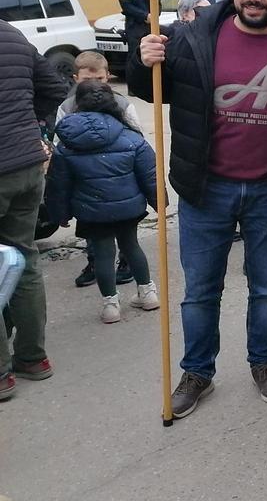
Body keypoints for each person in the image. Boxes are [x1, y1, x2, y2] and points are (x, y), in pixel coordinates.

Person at [129, 0, 267, 418]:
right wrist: (142, 61)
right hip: (206, 188)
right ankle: (197, 372)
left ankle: (264, 363)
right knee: (200, 289)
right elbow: (150, 88)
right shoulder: (191, 39)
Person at [45, 81, 158, 323]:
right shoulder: (130, 137)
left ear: (77, 105)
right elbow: (149, 174)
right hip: (128, 207)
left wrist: (60, 214)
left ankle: (111, 306)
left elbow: (58, 184)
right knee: (131, 246)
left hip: (92, 210)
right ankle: (148, 293)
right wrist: (159, 201)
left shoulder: (67, 144)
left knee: (103, 254)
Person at [0, 22, 67, 401]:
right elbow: (56, 87)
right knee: (23, 258)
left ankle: (1, 374)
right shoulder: (11, 34)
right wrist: (30, 125)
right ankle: (32, 357)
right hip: (27, 164)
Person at [54, 51, 140, 289]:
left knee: (126, 229)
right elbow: (59, 144)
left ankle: (126, 262)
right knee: (92, 227)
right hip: (86, 181)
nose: (93, 85)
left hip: (120, 179)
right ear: (75, 78)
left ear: (108, 76)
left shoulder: (122, 105)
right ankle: (94, 261)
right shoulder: (67, 107)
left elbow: (137, 140)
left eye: (99, 79)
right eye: (86, 80)